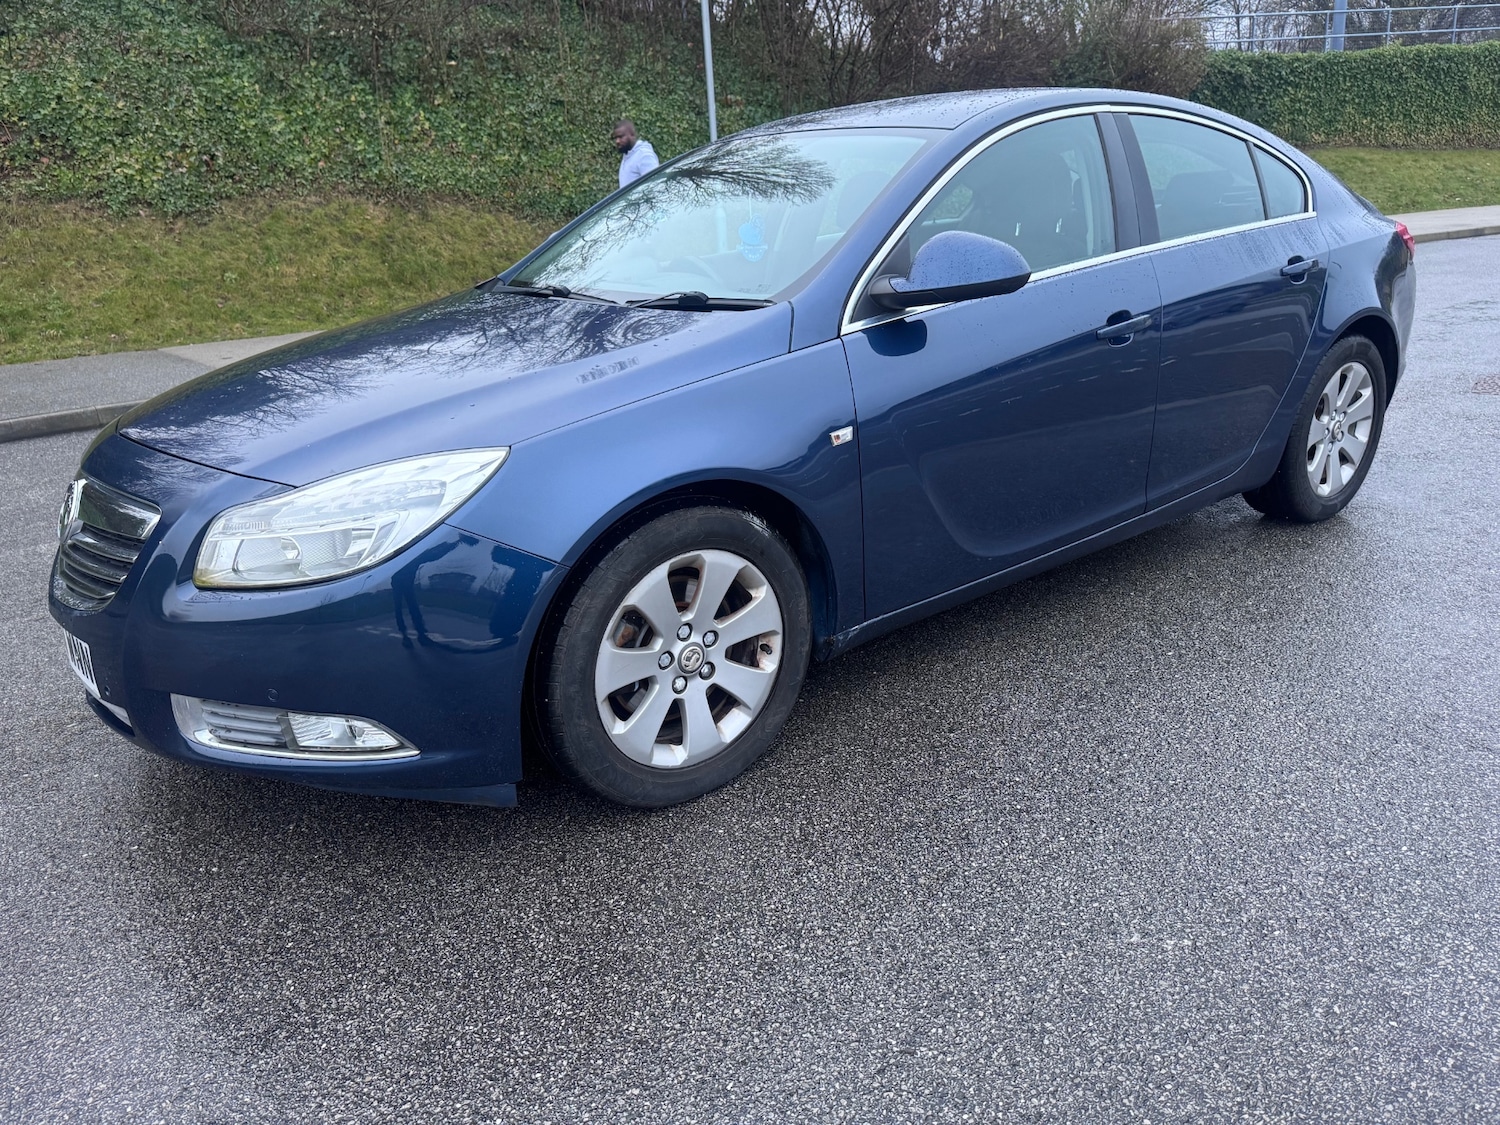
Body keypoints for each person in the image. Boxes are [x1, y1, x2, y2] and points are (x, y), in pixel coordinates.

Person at [612, 119, 659, 189]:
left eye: (621, 137)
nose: (617, 141)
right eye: (616, 138)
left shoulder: (644, 156)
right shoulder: (628, 154)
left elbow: (655, 187)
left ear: (632, 135)